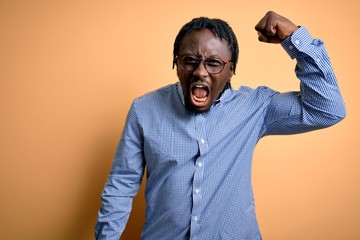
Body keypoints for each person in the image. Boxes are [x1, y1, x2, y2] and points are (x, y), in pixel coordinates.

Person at [95, 11, 346, 240]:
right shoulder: (144, 109)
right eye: (190, 60)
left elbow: (328, 109)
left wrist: (294, 38)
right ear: (176, 63)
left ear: (231, 70)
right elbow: (122, 183)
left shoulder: (255, 108)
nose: (200, 72)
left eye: (214, 63)